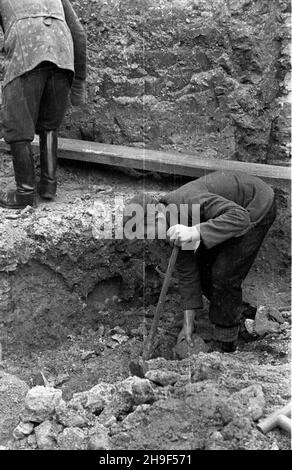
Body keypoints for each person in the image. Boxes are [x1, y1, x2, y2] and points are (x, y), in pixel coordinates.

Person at [124, 171, 277, 353]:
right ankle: (239, 314)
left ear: (156, 217)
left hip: (256, 205)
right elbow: (188, 272)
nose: (152, 238)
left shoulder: (189, 201)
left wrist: (195, 231)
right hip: (226, 216)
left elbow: (240, 217)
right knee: (204, 268)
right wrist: (188, 325)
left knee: (223, 274)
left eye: (149, 232)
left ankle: (226, 341)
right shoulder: (171, 224)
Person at [0, 0, 87, 209]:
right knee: (49, 124)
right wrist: (79, 82)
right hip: (63, 53)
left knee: (17, 126)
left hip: (27, 49)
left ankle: (24, 193)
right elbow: (79, 33)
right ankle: (49, 186)